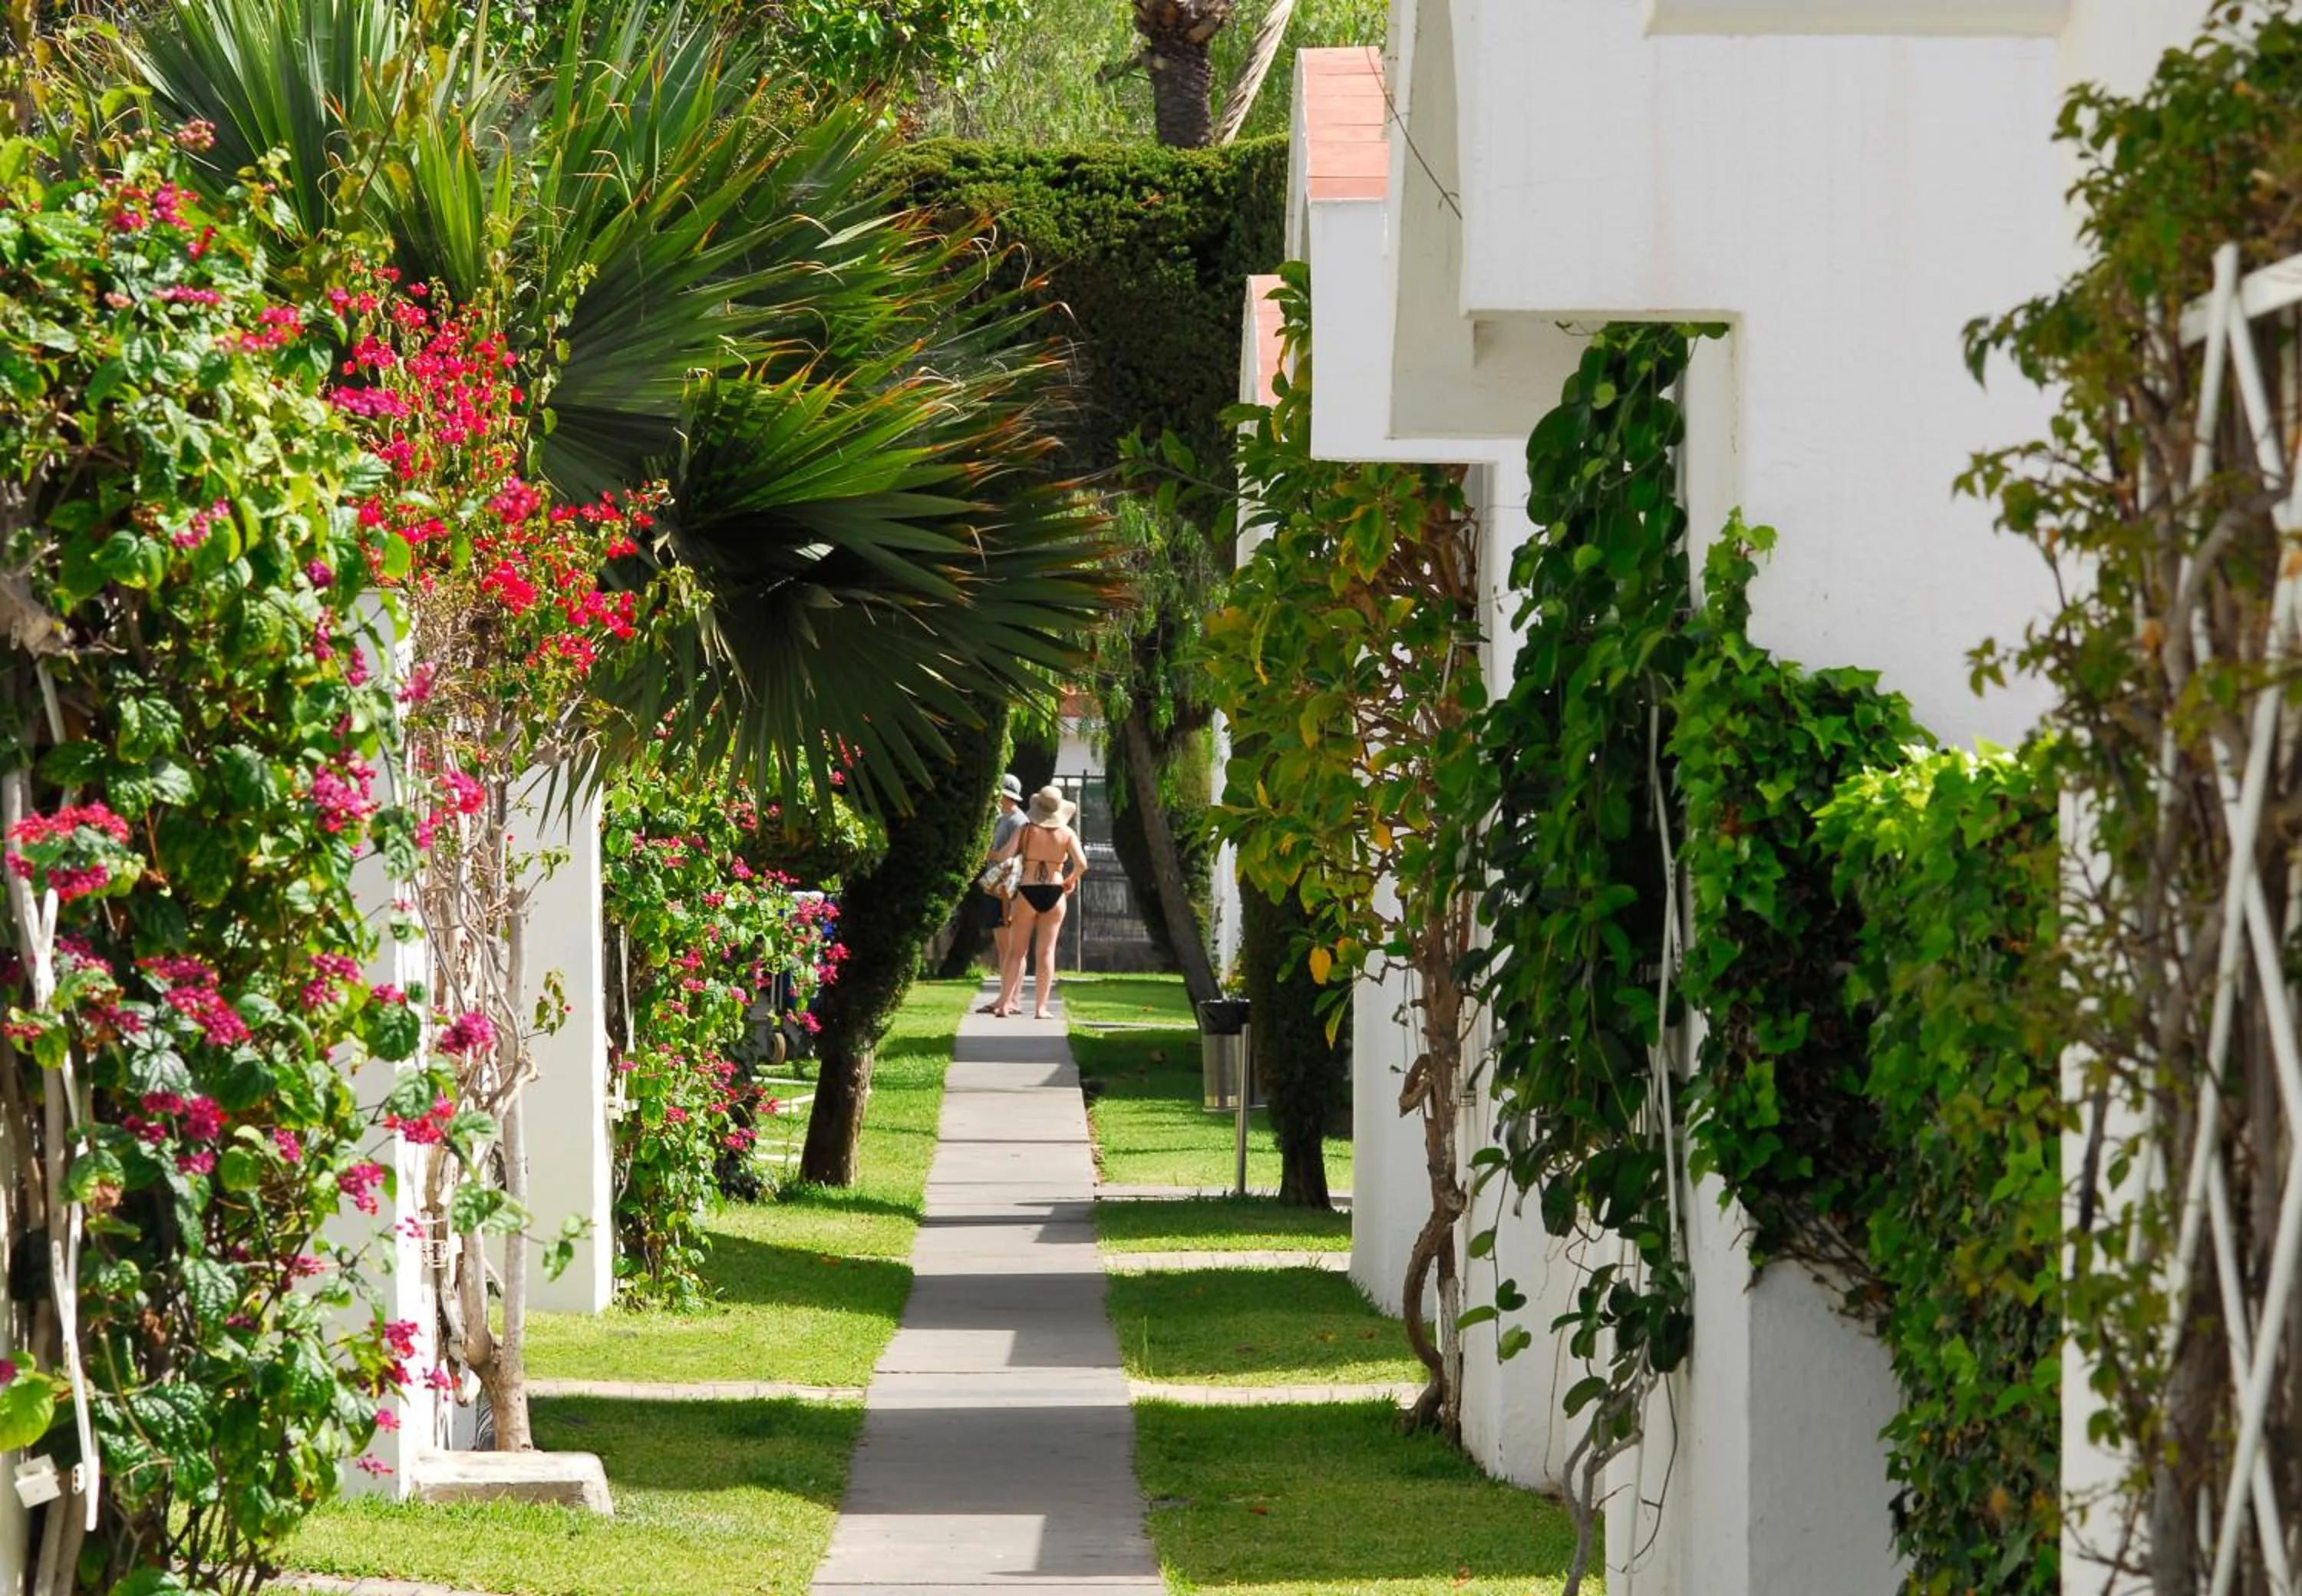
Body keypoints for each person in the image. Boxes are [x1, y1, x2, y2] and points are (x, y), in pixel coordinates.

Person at [988, 784, 1086, 1021]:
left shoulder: (1026, 829)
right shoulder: (1067, 833)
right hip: (1055, 890)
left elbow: (1004, 856)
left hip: (1027, 890)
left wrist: (986, 853)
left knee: (1015, 952)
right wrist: (1070, 880)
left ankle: (1004, 1005)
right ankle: (1041, 1009)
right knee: (1046, 952)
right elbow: (1082, 863)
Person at [975, 774, 1027, 1013]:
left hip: (1007, 888)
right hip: (995, 885)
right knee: (1003, 947)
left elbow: (1008, 855)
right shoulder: (1000, 818)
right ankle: (1006, 997)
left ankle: (1011, 999)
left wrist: (983, 853)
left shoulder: (1018, 821)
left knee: (1011, 948)